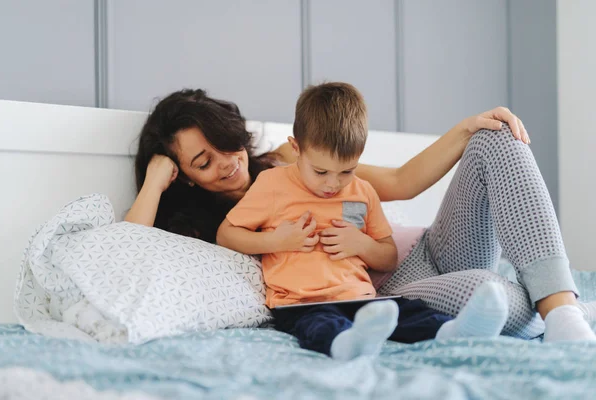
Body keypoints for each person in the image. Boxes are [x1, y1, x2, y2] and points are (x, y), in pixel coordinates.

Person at [126, 87, 596, 342]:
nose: (227, 162)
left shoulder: (297, 159)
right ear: (185, 176)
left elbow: (398, 183)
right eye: (203, 161)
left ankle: (561, 308)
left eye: (225, 142)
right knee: (489, 293)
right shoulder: (202, 226)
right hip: (384, 291)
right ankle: (555, 309)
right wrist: (154, 178)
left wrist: (467, 128)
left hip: (423, 250)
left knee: (495, 135)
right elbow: (127, 246)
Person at [215, 82, 510, 359]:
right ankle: (347, 344)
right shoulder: (271, 184)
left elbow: (388, 257)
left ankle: (453, 332)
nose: (333, 184)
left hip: (360, 298)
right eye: (321, 172)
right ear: (296, 149)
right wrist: (275, 241)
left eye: (347, 171)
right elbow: (226, 234)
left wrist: (361, 245)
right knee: (319, 324)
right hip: (301, 303)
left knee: (405, 311)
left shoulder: (363, 191)